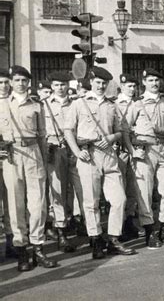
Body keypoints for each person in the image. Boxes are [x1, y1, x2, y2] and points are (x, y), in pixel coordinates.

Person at [64, 67, 136, 258]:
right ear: (91, 82)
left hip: (109, 155)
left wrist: (112, 137)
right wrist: (77, 152)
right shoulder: (79, 104)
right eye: (98, 82)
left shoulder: (112, 105)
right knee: (91, 202)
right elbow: (68, 130)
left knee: (119, 199)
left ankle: (113, 239)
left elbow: (121, 130)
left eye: (104, 83)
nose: (101, 86)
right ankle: (96, 240)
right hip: (89, 155)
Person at [1, 65, 57, 271]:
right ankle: (22, 250)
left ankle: (38, 247)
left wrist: (43, 160)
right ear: (11, 82)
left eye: (24, 80)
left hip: (33, 153)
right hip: (12, 156)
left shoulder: (37, 105)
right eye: (17, 80)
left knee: (38, 205)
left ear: (29, 83)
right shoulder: (3, 104)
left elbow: (42, 135)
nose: (21, 84)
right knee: (15, 206)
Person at [128, 68, 164, 248]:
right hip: (145, 150)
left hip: (163, 149)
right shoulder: (137, 104)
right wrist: (132, 148)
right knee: (144, 192)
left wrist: (162, 132)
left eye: (156, 80)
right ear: (144, 82)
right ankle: (150, 231)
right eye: (150, 80)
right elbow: (124, 129)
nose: (154, 83)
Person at [43, 71, 84, 253]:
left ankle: (85, 224)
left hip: (75, 149)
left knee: (81, 188)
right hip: (55, 149)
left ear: (69, 85)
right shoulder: (43, 105)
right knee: (57, 191)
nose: (60, 88)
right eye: (57, 85)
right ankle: (61, 232)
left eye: (63, 84)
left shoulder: (77, 104)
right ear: (51, 86)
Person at [115, 74, 140, 241]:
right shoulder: (115, 104)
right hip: (121, 150)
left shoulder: (139, 103)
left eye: (133, 86)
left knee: (133, 186)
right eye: (128, 86)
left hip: (136, 148)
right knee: (120, 187)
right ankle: (120, 223)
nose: (131, 89)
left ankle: (130, 219)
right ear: (122, 87)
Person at [0, 68, 16, 261]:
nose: (4, 86)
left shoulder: (15, 103)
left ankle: (12, 243)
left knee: (12, 201)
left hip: (12, 159)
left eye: (6, 82)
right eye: (0, 83)